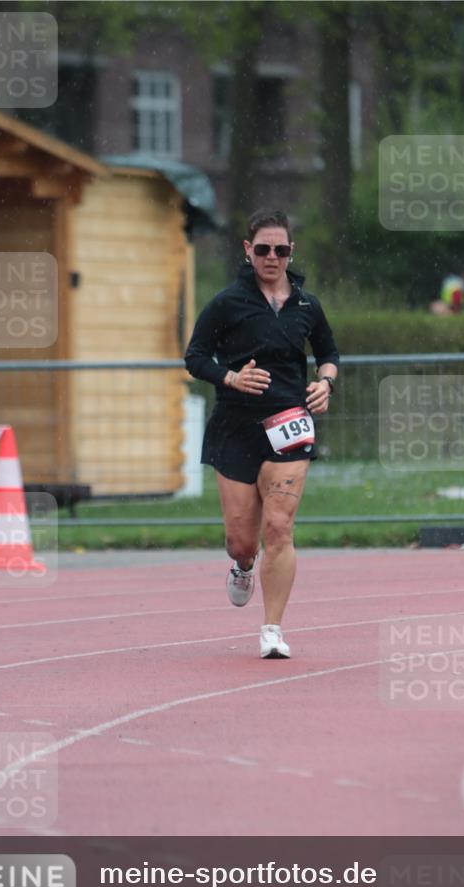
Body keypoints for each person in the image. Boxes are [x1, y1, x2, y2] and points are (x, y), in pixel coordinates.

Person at [185, 209, 340, 659]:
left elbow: (328, 352)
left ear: (292, 252)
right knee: (243, 539)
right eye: (264, 249)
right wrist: (230, 378)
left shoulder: (307, 306)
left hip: (289, 425)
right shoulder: (226, 303)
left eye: (282, 250)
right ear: (247, 251)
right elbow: (195, 358)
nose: (273, 257)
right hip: (235, 428)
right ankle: (242, 565)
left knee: (279, 527)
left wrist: (325, 383)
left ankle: (272, 628)